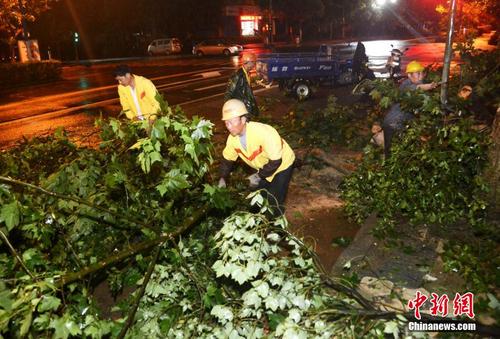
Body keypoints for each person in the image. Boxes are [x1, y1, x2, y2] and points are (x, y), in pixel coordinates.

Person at [218, 99, 295, 216]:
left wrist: (259, 176)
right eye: (226, 122)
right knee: (256, 197)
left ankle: (278, 231)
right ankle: (257, 222)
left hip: (282, 165)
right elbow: (227, 160)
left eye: (232, 122)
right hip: (264, 166)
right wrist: (222, 177)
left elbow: (276, 161)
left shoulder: (264, 133)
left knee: (274, 202)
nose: (228, 126)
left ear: (243, 119)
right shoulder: (232, 139)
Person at [382, 61, 438, 157]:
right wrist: (429, 86)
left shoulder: (418, 83)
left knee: (400, 151)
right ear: (409, 75)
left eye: (421, 73)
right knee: (393, 152)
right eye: (418, 73)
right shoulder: (406, 86)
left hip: (401, 123)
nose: (421, 76)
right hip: (394, 123)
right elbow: (417, 88)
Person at [224, 53, 260, 118]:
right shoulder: (238, 75)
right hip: (241, 109)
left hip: (245, 108)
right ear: (248, 62)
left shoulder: (246, 73)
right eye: (254, 62)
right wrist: (229, 112)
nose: (254, 65)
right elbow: (229, 93)